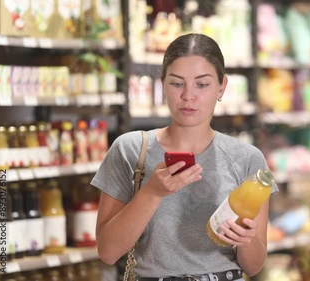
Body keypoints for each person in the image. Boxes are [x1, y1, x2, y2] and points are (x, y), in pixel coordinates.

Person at [91, 33, 278, 281]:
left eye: (202, 84)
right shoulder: (130, 150)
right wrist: (152, 192)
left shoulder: (247, 159)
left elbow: (253, 266)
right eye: (177, 83)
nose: (188, 96)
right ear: (162, 84)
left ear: (222, 86)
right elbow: (107, 251)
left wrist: (246, 240)